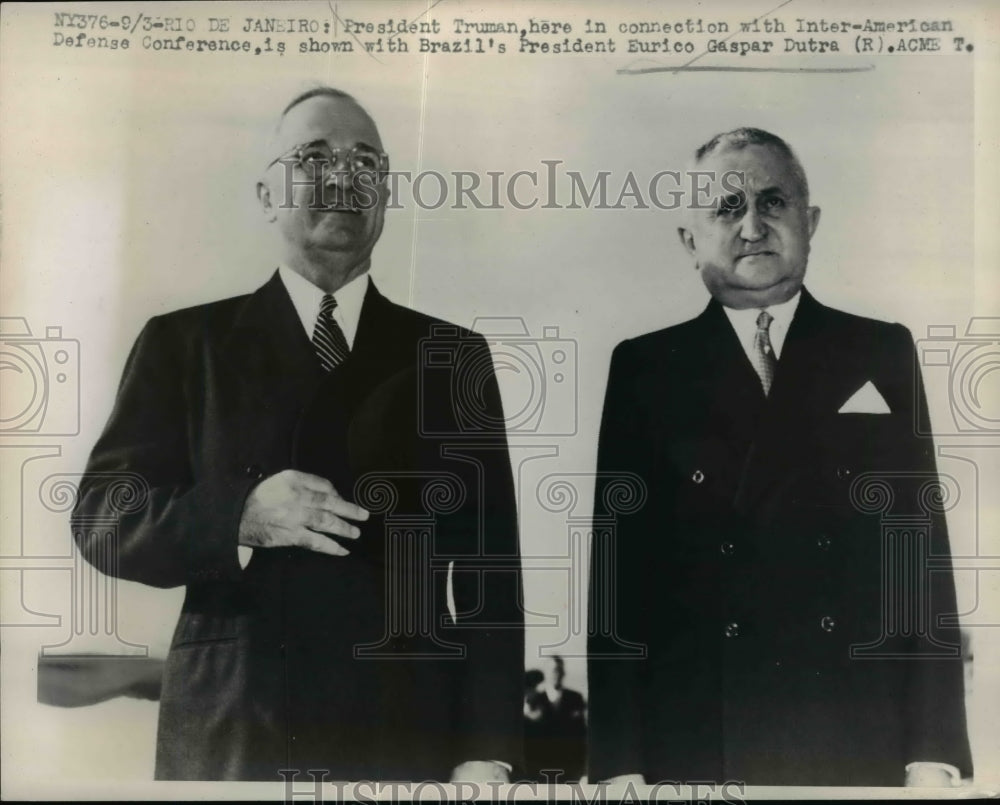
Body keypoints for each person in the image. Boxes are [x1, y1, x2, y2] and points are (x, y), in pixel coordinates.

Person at [71, 87, 523, 783]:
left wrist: (487, 750)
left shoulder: (451, 357)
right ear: (267, 194)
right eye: (314, 157)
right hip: (236, 731)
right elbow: (103, 518)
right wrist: (238, 515)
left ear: (386, 193)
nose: (344, 177)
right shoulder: (185, 344)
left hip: (403, 735)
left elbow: (490, 573)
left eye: (366, 162)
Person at [587, 128, 972, 787]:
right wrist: (618, 764)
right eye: (727, 208)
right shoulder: (645, 368)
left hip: (855, 731)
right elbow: (617, 583)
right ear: (690, 241)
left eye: (773, 202)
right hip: (697, 741)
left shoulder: (879, 351)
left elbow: (920, 554)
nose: (753, 226)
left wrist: (934, 751)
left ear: (809, 221)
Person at [524, 656, 586, 782]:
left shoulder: (575, 698)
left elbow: (581, 734)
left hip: (569, 767)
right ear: (545, 673)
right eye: (551, 670)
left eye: (558, 670)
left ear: (563, 673)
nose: (555, 674)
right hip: (539, 767)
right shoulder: (534, 700)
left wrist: (581, 770)